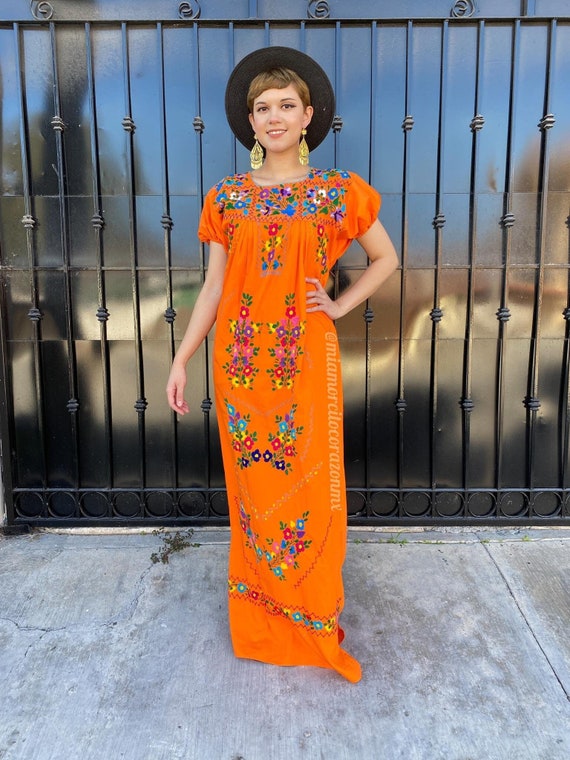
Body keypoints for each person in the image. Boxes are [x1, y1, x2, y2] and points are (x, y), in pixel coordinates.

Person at [166, 46, 398, 683]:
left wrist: (339, 303)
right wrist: (182, 358)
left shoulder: (336, 193)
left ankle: (310, 613)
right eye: (262, 107)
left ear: (308, 117)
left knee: (312, 493)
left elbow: (386, 259)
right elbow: (212, 289)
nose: (273, 116)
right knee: (253, 495)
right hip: (239, 370)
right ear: (250, 122)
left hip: (305, 363)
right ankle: (263, 616)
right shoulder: (228, 199)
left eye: (285, 106)